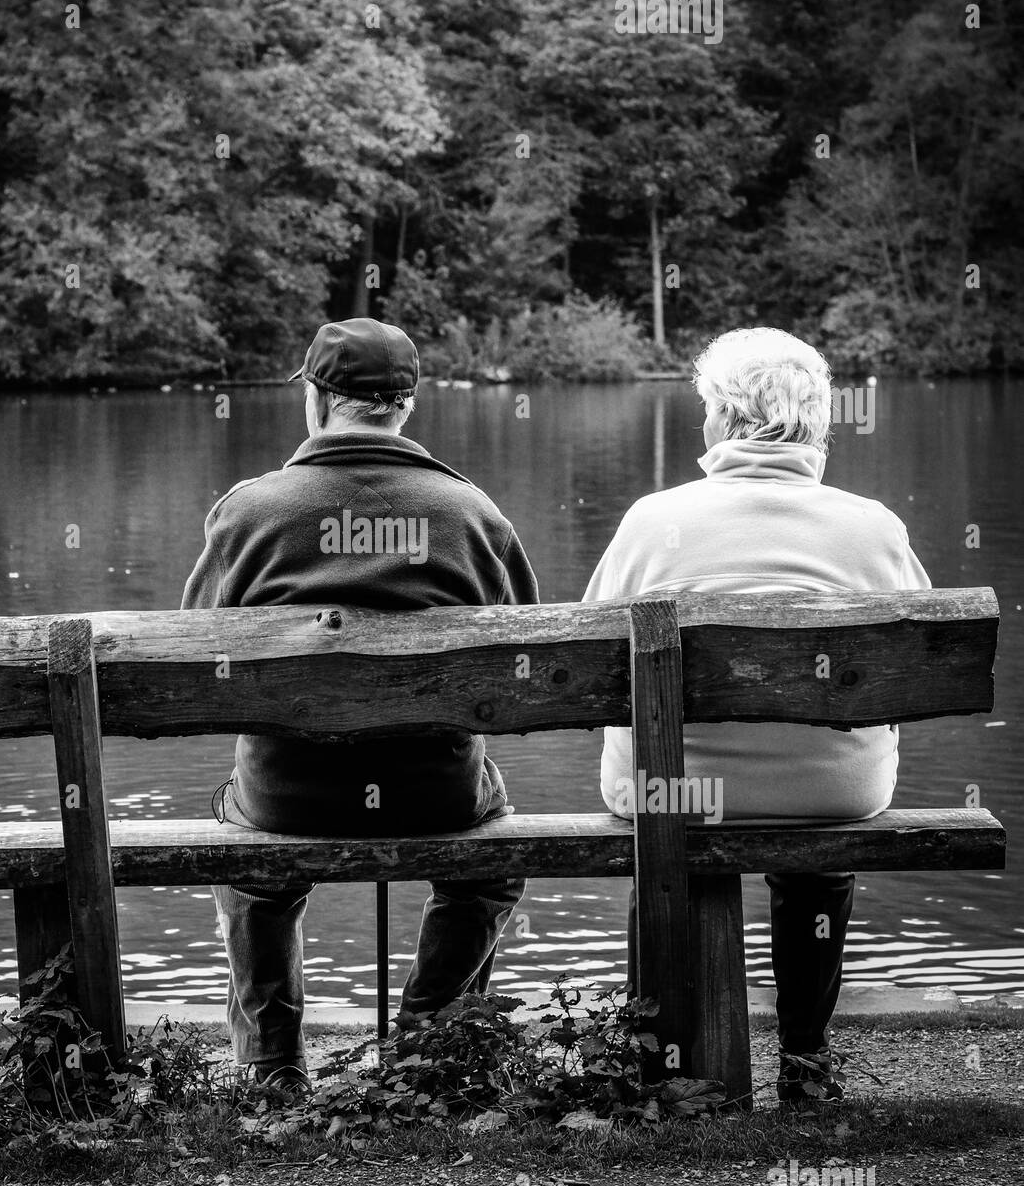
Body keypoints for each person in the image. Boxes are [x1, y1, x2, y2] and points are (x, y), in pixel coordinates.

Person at [182, 317, 539, 1090]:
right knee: (493, 852)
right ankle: (428, 1045)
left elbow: (191, 659)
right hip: (434, 793)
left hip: (287, 794)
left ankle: (272, 1067)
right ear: (407, 405)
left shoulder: (249, 512)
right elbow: (524, 673)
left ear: (317, 398)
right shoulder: (472, 515)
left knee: (247, 860)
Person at [583, 327, 930, 1105]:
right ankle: (805, 1060)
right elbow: (919, 672)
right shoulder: (871, 525)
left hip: (672, 794)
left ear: (719, 421)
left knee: (658, 828)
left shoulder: (651, 520)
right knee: (815, 853)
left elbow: (590, 655)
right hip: (831, 793)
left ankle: (664, 1061)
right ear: (816, 424)